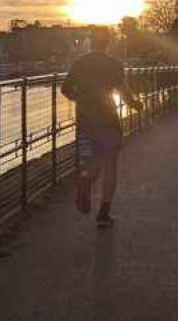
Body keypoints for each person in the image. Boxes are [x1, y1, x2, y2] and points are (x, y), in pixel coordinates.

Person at [61, 27, 143, 228]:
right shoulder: (115, 65)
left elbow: (65, 89)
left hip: (86, 121)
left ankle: (86, 182)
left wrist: (80, 98)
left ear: (91, 42)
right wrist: (136, 105)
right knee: (110, 165)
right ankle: (104, 212)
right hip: (108, 120)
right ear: (108, 43)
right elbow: (124, 93)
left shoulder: (80, 63)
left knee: (91, 161)